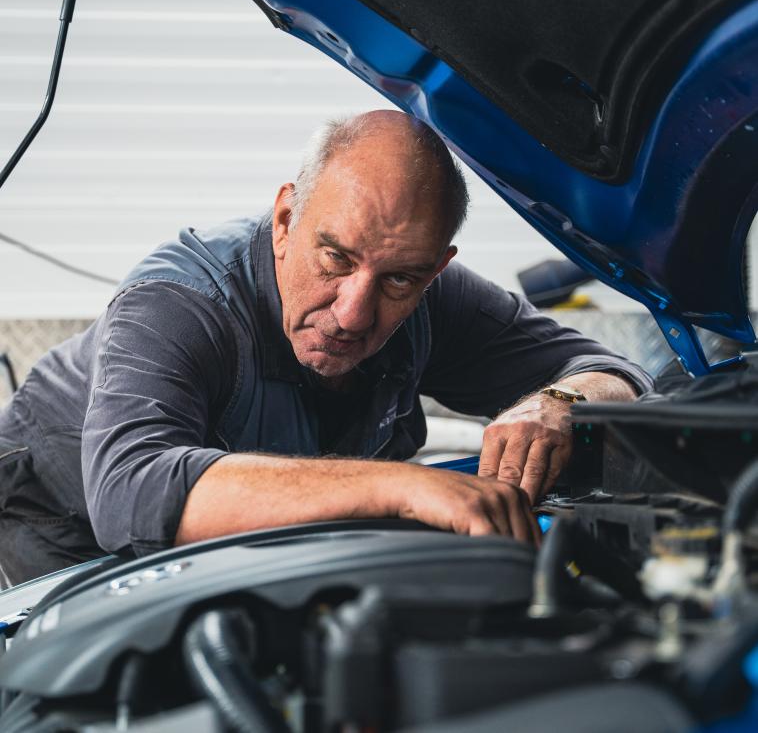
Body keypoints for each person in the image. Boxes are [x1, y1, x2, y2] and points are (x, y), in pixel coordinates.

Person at [0, 110, 651, 587]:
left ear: (436, 267)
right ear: (285, 221)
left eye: (398, 279)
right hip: (62, 525)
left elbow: (613, 371)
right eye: (335, 257)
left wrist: (558, 403)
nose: (353, 312)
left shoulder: (432, 293)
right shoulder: (179, 298)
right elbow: (131, 494)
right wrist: (403, 489)